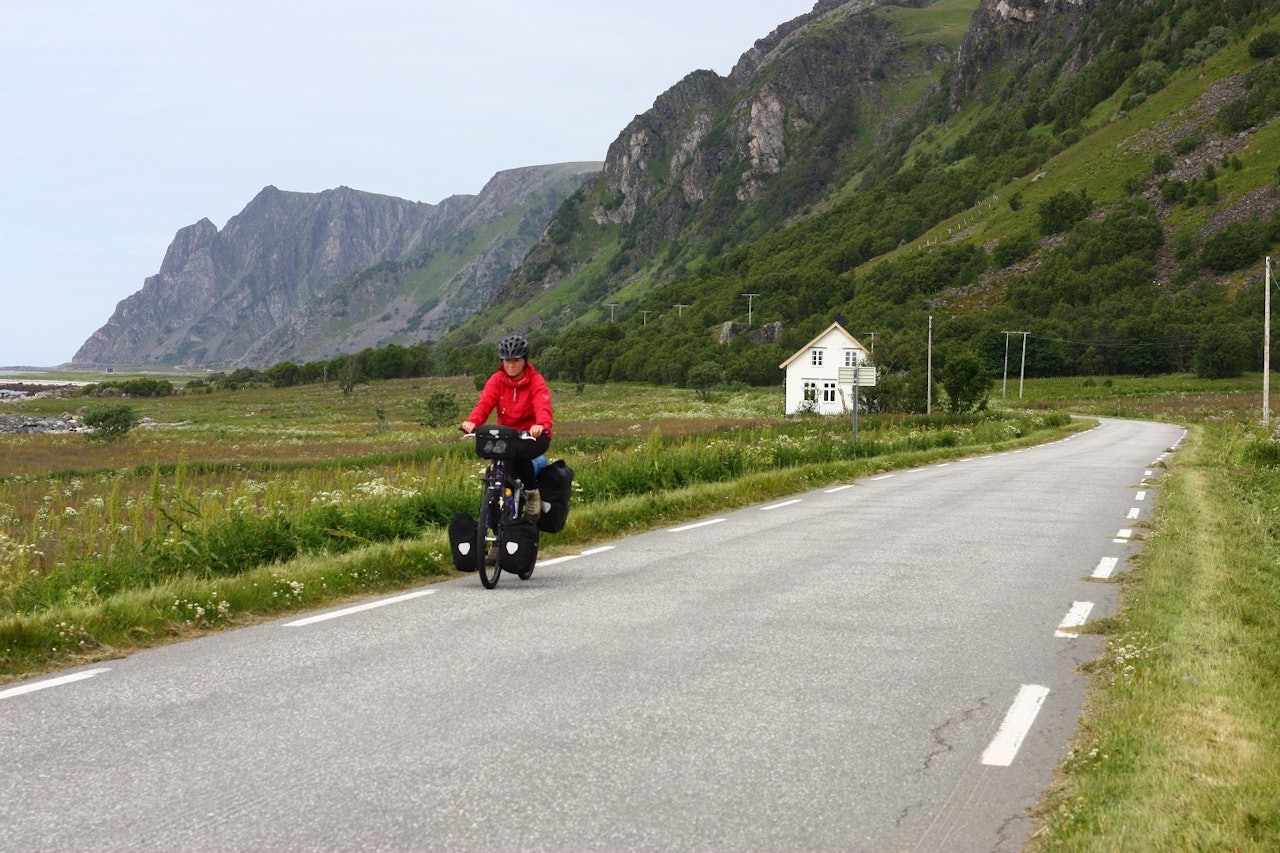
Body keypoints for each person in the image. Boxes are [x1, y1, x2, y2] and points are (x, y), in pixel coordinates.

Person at [461, 334, 553, 517]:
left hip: (533, 436)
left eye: (516, 360)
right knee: (500, 461)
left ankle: (532, 493)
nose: (511, 365)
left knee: (517, 453)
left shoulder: (536, 380)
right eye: (507, 360)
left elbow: (543, 405)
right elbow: (485, 404)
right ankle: (499, 504)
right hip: (507, 435)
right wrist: (472, 422)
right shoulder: (497, 380)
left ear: (525, 361)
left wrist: (541, 424)